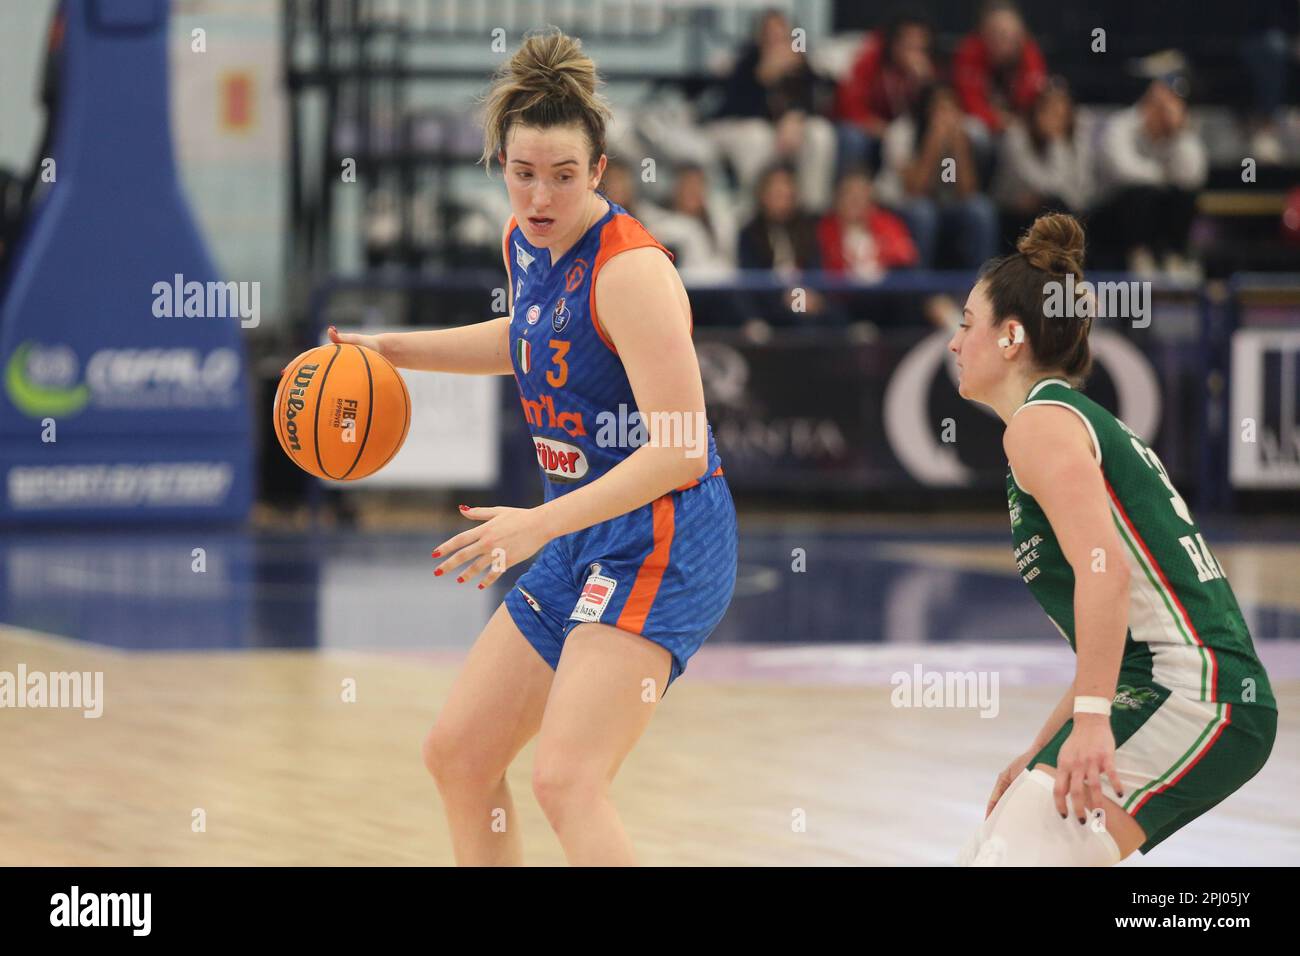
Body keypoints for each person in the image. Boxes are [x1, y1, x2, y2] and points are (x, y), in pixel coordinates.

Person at [331, 28, 737, 866]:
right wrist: (396, 351)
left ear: (598, 172)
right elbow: (522, 337)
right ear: (502, 167)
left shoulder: (632, 272)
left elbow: (683, 452)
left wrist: (538, 526)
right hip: (581, 532)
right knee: (460, 758)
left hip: (666, 539)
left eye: (562, 176)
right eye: (523, 174)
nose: (540, 196)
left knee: (566, 780)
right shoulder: (525, 242)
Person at [949, 213, 1276, 866]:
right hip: (1164, 682)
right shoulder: (1056, 422)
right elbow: (1121, 632)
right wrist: (1044, 746)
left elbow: (1107, 574)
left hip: (1196, 691)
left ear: (1011, 336)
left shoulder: (1040, 424)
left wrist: (1091, 721)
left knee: (1016, 853)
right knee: (997, 844)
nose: (956, 343)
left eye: (966, 323)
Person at [707, 8, 837, 212]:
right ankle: (755, 210)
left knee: (819, 133)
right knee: (757, 136)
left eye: (781, 34)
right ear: (759, 36)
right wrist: (762, 79)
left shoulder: (801, 64)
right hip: (740, 130)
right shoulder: (747, 62)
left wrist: (796, 116)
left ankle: (812, 211)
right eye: (770, 34)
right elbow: (734, 109)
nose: (776, 41)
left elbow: (821, 100)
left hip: (782, 134)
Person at [1090, 79, 1208, 276]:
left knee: (1184, 195)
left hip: (1158, 216)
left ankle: (1174, 257)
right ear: (1147, 103)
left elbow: (1193, 176)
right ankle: (1139, 257)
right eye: (1160, 106)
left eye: (1171, 108)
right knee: (1142, 193)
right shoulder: (1120, 125)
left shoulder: (1180, 133)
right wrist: (1163, 176)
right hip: (1112, 214)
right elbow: (1123, 172)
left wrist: (1178, 134)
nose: (1164, 114)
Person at [874, 84, 998, 268]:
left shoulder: (963, 133)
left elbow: (966, 190)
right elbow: (915, 189)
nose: (946, 116)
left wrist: (957, 147)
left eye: (951, 108)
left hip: (944, 205)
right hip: (902, 204)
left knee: (980, 209)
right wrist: (933, 143)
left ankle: (981, 287)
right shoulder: (902, 132)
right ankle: (919, 289)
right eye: (940, 109)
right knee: (923, 212)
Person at [991, 79, 1093, 249]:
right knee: (1055, 208)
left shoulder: (1078, 140)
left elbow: (1083, 190)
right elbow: (1045, 186)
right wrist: (1056, 142)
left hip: (1061, 211)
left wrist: (1057, 142)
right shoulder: (1016, 137)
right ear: (1036, 111)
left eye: (1062, 113)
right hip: (1014, 215)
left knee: (1066, 213)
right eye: (1050, 111)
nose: (1056, 119)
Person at [951, 0, 1047, 137]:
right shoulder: (969, 51)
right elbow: (969, 99)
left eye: (1009, 35)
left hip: (1019, 123)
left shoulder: (1030, 52)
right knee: (973, 129)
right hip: (983, 124)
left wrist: (1017, 121)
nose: (1004, 42)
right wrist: (995, 121)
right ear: (984, 34)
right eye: (996, 34)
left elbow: (1034, 97)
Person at [817, 169, 917, 280]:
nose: (855, 201)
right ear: (838, 198)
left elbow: (906, 255)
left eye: (861, 195)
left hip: (885, 291)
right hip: (840, 293)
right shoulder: (825, 229)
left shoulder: (888, 223)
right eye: (849, 194)